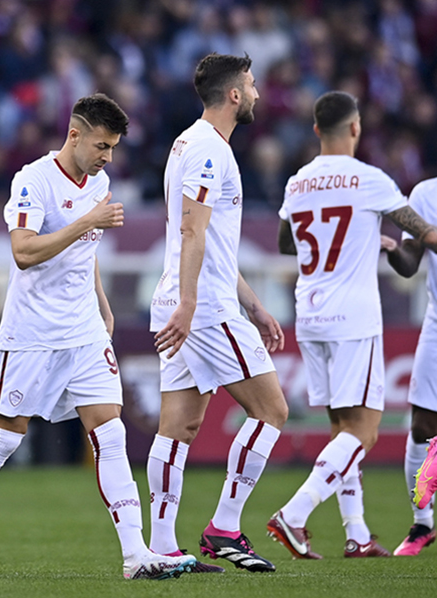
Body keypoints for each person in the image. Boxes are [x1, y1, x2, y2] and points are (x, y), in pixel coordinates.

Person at [0, 94, 197, 581]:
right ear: (75, 134)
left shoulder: (99, 181)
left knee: (111, 433)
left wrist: (101, 302)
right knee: (3, 440)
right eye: (102, 144)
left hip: (84, 332)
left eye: (114, 147)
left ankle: (136, 554)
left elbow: (86, 251)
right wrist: (86, 222)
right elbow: (24, 253)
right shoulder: (32, 180)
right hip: (32, 333)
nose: (108, 157)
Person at [267, 91, 437, 559]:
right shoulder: (370, 180)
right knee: (363, 434)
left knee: (341, 428)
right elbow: (426, 235)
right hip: (353, 318)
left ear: (317, 129)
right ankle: (295, 514)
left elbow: (288, 243)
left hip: (311, 314)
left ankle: (357, 532)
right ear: (356, 128)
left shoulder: (298, 182)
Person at [148, 53, 287, 573]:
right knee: (271, 410)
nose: (254, 93)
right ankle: (224, 527)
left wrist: (253, 304)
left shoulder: (189, 141)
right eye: (250, 84)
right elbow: (192, 232)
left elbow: (212, 243)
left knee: (178, 427)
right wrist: (189, 303)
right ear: (233, 95)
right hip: (201, 305)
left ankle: (161, 549)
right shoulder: (209, 150)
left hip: (193, 297)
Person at [377, 174, 437, 555]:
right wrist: (393, 251)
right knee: (422, 427)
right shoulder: (426, 193)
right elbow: (410, 263)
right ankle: (423, 523)